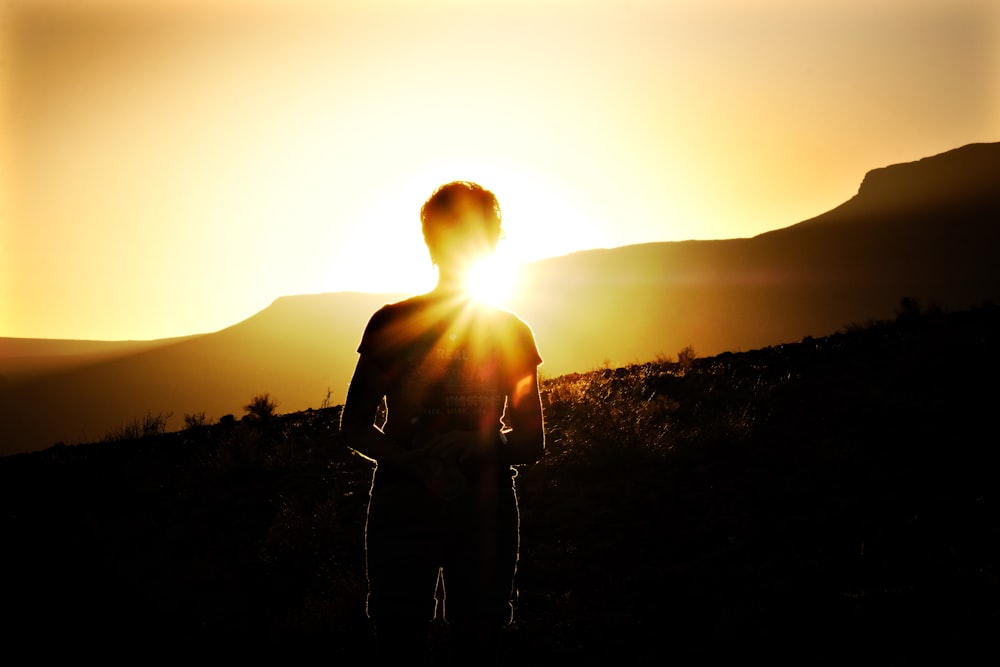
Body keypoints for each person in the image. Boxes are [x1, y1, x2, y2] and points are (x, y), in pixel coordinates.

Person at [340, 181, 545, 665]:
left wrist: (457, 449)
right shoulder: (506, 331)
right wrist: (475, 447)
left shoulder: (397, 323)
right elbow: (353, 425)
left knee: (410, 638)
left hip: (449, 504)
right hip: (451, 506)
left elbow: (533, 439)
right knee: (459, 638)